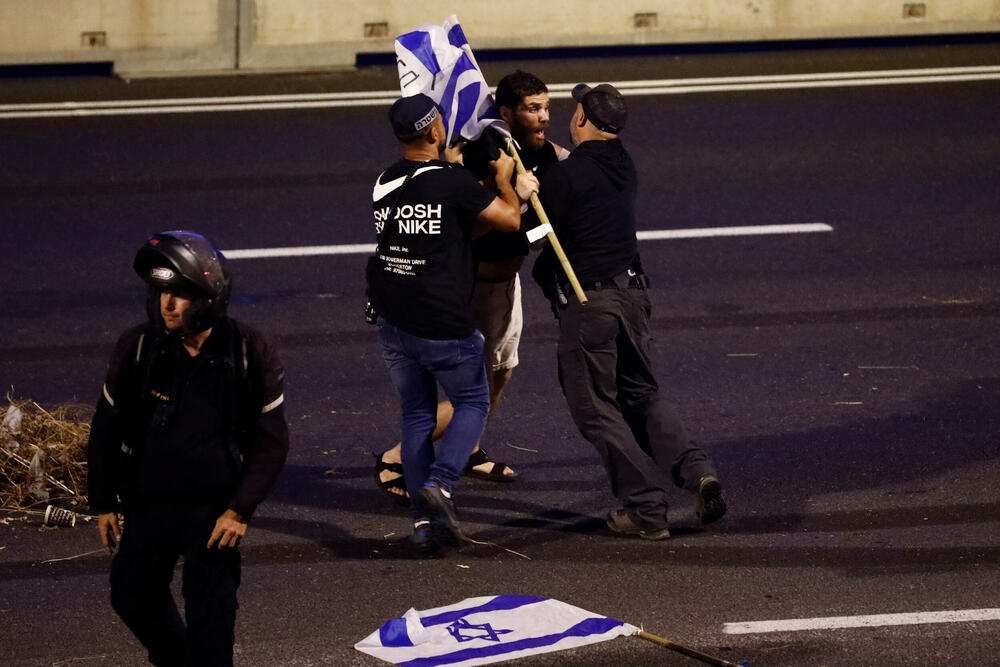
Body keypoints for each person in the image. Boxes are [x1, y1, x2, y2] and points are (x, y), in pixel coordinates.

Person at [533, 83, 726, 540]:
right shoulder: (622, 163)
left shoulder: (567, 177)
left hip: (590, 305)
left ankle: (645, 508)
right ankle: (697, 471)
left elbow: (531, 235)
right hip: (632, 297)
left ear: (582, 118)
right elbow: (576, 169)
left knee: (596, 409)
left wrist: (517, 187)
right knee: (642, 395)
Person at [87, 231, 289, 665]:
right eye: (161, 292)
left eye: (179, 294)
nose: (167, 304)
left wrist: (241, 509)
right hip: (148, 505)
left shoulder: (249, 350)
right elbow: (106, 426)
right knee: (131, 597)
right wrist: (102, 500)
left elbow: (272, 441)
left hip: (215, 513)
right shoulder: (137, 347)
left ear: (210, 297)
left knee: (211, 627)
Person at [374, 70, 564, 505]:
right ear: (505, 114)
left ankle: (466, 452)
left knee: (500, 373)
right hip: (477, 291)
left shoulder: (538, 154)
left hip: (504, 286)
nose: (543, 117)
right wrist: (507, 187)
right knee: (474, 391)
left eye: (546, 107)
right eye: (533, 109)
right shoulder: (475, 161)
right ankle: (400, 460)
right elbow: (491, 224)